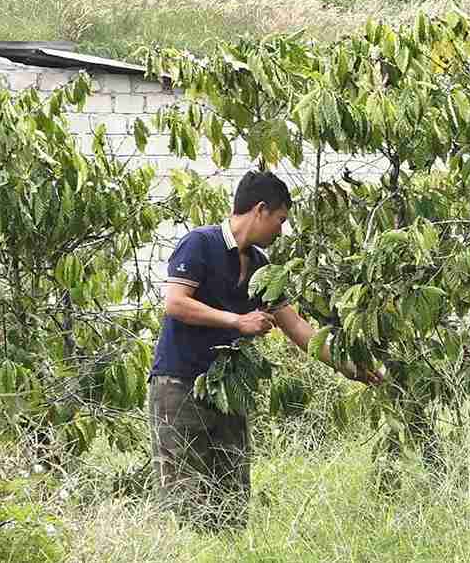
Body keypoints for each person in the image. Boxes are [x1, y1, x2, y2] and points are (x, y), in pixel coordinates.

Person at [147, 170, 378, 530]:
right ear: (260, 210)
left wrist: (351, 368)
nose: (281, 231)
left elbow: (298, 327)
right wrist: (237, 322)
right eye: (280, 220)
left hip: (228, 391)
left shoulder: (261, 267)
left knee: (232, 498)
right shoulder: (200, 244)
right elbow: (175, 303)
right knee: (183, 497)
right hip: (179, 384)